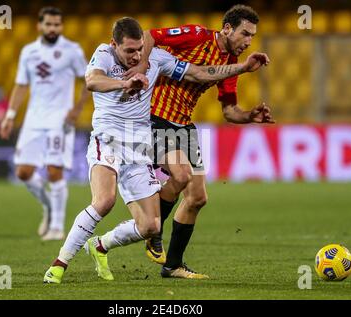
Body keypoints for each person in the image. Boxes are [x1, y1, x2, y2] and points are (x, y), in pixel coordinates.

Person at [43, 16, 269, 283]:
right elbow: (93, 81)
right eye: (130, 50)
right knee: (106, 201)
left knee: (160, 219)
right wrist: (125, 82)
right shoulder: (103, 54)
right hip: (115, 137)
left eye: (140, 50)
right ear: (114, 43)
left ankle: (111, 246)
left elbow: (198, 74)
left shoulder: (158, 60)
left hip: (145, 143)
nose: (137, 55)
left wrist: (242, 69)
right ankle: (59, 264)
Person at [124, 4, 275, 278]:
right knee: (181, 175)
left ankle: (172, 265)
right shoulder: (196, 35)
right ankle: (152, 230)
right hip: (155, 116)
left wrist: (249, 116)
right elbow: (149, 34)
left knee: (197, 198)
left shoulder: (231, 64)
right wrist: (144, 66)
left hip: (184, 124)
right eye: (245, 33)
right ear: (227, 28)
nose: (248, 41)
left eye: (252, 36)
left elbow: (229, 111)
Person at [0, 7, 89, 241]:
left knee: (54, 170)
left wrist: (77, 109)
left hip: (60, 119)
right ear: (39, 26)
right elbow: (21, 85)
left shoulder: (72, 50)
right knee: (23, 172)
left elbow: (88, 80)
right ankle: (48, 206)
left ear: (61, 26)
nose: (53, 28)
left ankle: (57, 227)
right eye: (48, 24)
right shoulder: (28, 52)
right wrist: (10, 115)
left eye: (57, 24)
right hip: (33, 119)